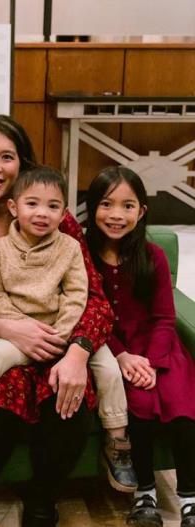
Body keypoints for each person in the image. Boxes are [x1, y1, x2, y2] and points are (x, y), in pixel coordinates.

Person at [0, 115, 132, 526]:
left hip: (62, 339)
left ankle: (41, 502)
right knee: (0, 396)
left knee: (69, 397)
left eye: (7, 157)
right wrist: (4, 327)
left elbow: (92, 297)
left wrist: (76, 351)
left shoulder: (57, 222)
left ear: (23, 166)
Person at [0, 167, 89, 468]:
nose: (42, 213)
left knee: (107, 369)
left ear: (64, 213)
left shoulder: (70, 245)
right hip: (14, 332)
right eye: (32, 204)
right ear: (14, 207)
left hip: (59, 333)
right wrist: (20, 327)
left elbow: (79, 294)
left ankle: (118, 437)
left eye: (52, 207)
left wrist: (60, 334)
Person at [85, 166, 195, 527]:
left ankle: (189, 496)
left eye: (127, 206)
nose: (117, 215)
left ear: (142, 211)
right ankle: (144, 492)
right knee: (140, 406)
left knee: (182, 404)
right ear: (92, 208)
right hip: (115, 349)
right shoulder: (83, 257)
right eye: (106, 204)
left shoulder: (152, 256)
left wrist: (150, 359)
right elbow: (89, 315)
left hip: (160, 349)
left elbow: (164, 316)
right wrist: (123, 356)